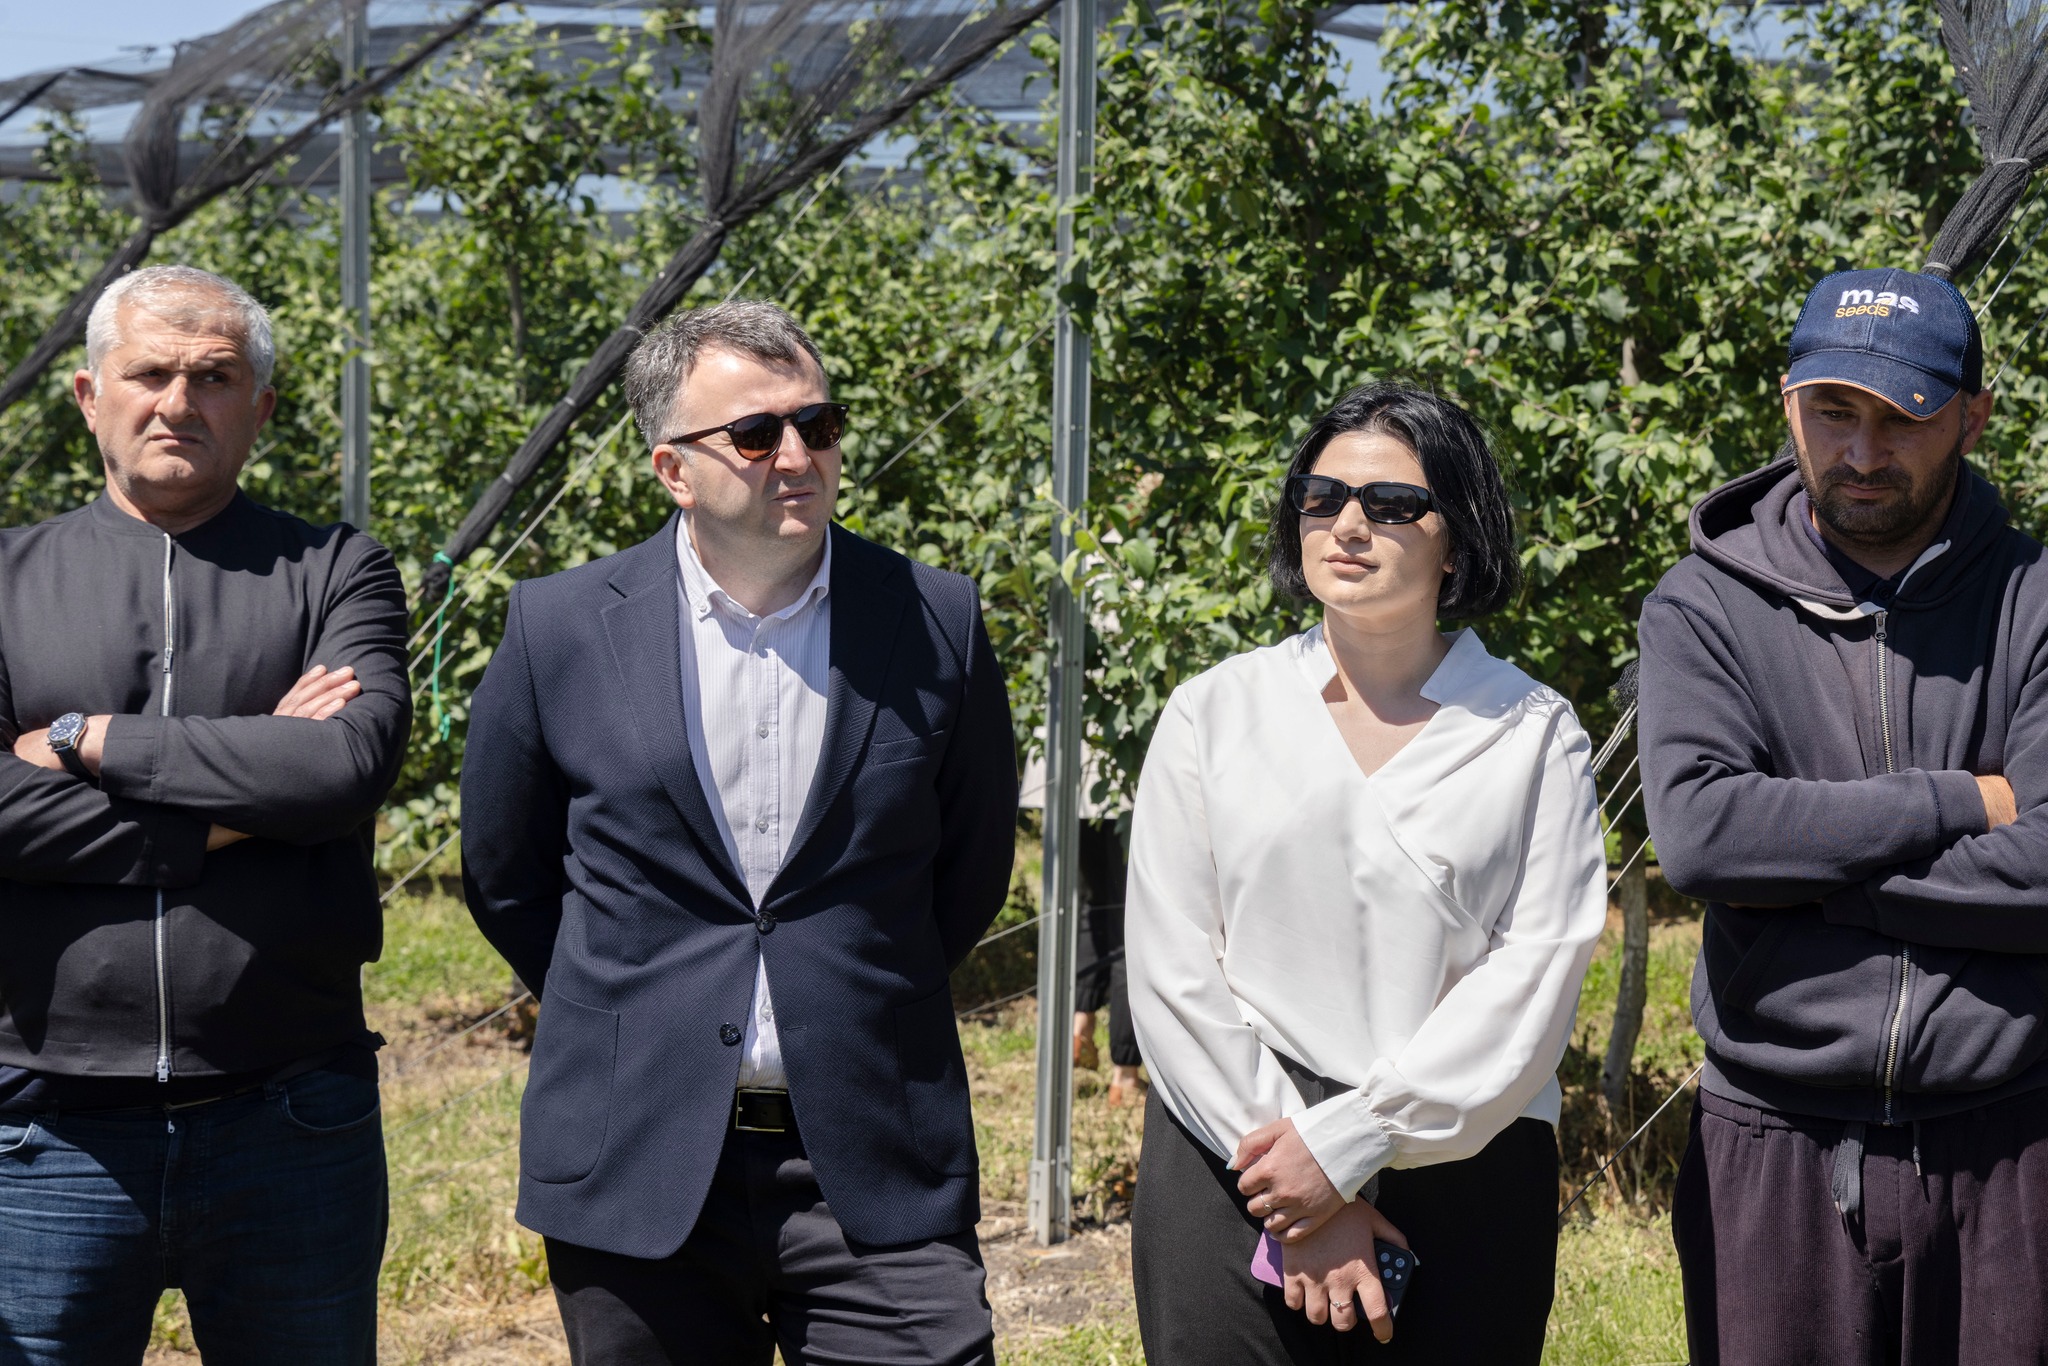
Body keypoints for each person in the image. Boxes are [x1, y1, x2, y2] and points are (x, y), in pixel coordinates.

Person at [460, 299, 1018, 1365]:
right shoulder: (559, 626)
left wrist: (843, 986)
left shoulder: (933, 617)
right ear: (673, 469)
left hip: (871, 1149)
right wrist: (641, 1003)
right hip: (639, 1154)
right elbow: (505, 872)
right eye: (756, 434)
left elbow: (971, 862)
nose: (798, 456)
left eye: (819, 423)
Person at [1125, 381, 1607, 1364]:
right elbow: (1173, 969)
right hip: (1234, 1152)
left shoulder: (1529, 730)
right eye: (1321, 497)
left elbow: (1537, 970)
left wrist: (1350, 1143)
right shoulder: (1214, 712)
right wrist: (1296, 1179)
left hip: (1462, 1157)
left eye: (1391, 504)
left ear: (1456, 540)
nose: (1347, 524)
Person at [0, 265, 411, 1364]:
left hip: (291, 1110)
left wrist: (87, 739)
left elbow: (342, 767)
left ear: (260, 408)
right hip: (45, 1127)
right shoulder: (7, 577)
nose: (178, 402)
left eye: (215, 377)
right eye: (149, 373)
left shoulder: (335, 569)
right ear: (89, 395)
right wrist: (250, 793)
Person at [1640, 267, 2048, 1363]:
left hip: (2008, 1141)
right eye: (1832, 412)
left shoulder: (2033, 602)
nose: (1861, 453)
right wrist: (1960, 801)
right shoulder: (1703, 606)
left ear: (1972, 416)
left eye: (1900, 418)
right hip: (1772, 1144)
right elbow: (1703, 837)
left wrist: (1811, 879)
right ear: (1787, 404)